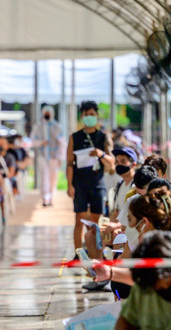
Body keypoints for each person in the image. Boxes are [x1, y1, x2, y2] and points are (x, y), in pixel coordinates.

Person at [66, 100, 114, 252]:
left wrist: (101, 154)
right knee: (79, 220)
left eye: (92, 114)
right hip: (79, 183)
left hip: (97, 183)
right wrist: (69, 185)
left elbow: (112, 162)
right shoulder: (75, 137)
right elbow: (69, 163)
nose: (89, 117)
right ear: (82, 117)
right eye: (86, 115)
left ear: (97, 116)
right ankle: (78, 253)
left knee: (95, 220)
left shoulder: (103, 137)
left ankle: (94, 251)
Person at [30, 105, 64, 207]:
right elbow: (32, 141)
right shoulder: (38, 126)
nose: (47, 115)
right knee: (44, 177)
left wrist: (60, 157)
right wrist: (41, 143)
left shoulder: (57, 126)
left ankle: (51, 197)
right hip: (42, 156)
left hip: (54, 156)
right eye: (46, 113)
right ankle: (45, 197)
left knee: (53, 178)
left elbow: (62, 143)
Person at [109, 147, 139, 223]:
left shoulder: (137, 186)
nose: (119, 165)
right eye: (117, 162)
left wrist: (115, 227)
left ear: (133, 164)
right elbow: (116, 213)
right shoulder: (120, 184)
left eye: (123, 162)